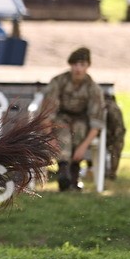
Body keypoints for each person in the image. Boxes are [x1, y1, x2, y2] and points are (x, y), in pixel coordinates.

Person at [41, 47, 105, 191]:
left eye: (82, 65)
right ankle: (64, 172)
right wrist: (49, 137)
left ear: (88, 66)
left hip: (81, 123)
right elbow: (47, 113)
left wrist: (83, 147)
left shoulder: (93, 89)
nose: (78, 69)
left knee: (79, 129)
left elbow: (96, 122)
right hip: (60, 119)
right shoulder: (58, 82)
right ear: (70, 65)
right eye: (75, 64)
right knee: (63, 131)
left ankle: (74, 174)